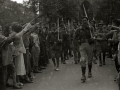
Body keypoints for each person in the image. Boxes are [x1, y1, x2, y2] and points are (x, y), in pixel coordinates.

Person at [75, 17, 94, 82]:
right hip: (82, 45)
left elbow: (94, 36)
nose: (84, 22)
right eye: (83, 21)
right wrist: (78, 40)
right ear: (81, 21)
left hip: (89, 44)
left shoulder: (90, 28)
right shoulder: (79, 29)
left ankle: (89, 71)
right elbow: (75, 37)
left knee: (90, 59)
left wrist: (93, 39)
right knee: (83, 59)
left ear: (87, 21)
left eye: (85, 20)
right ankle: (83, 75)